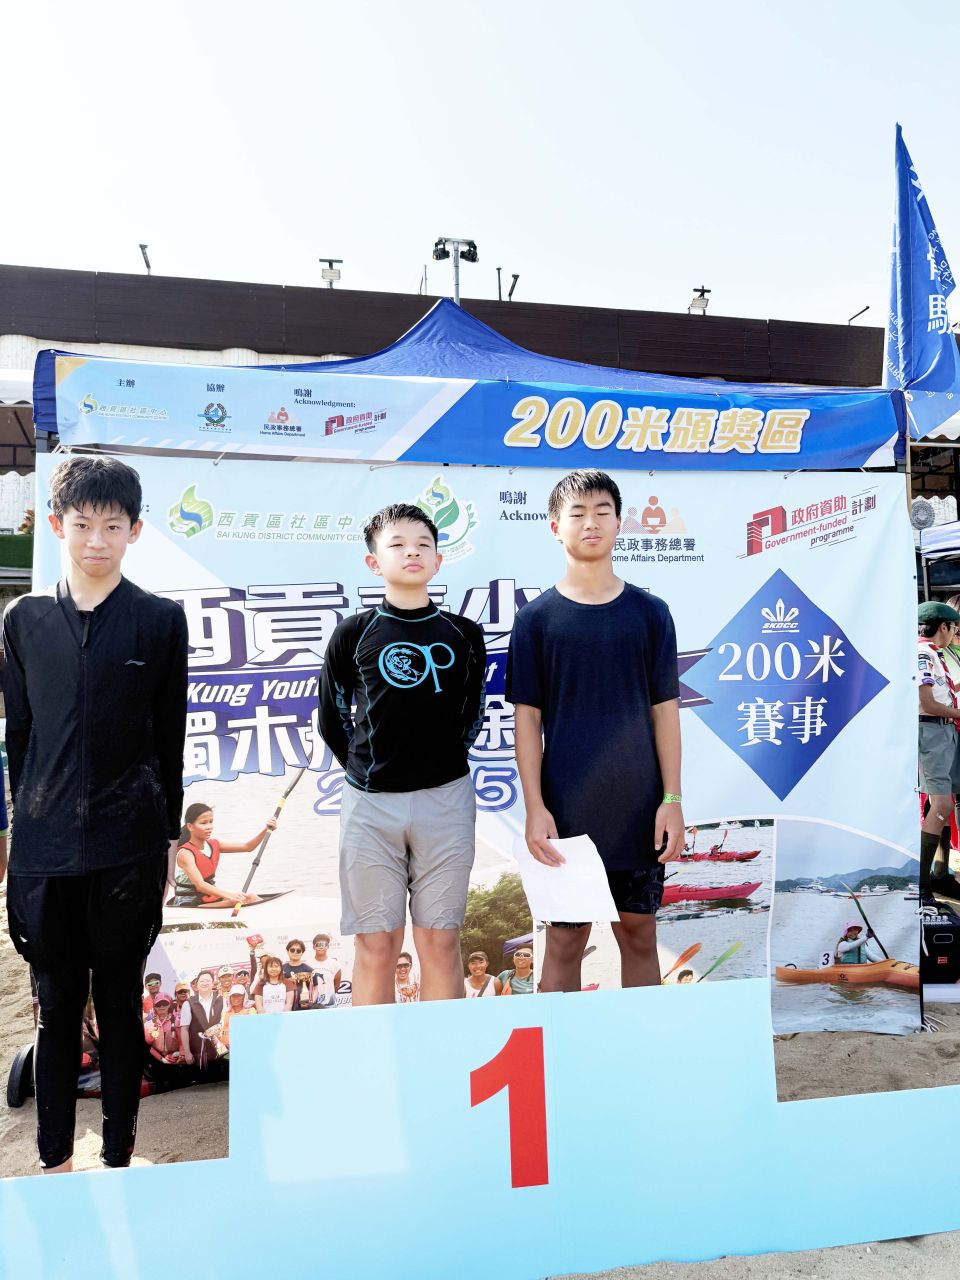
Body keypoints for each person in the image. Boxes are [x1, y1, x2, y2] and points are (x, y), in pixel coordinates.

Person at [1, 455, 188, 1172]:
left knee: (118, 1003)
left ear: (135, 530)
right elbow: (20, 738)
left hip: (127, 848)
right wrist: (25, 837)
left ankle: (117, 1157)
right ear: (58, 525)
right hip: (45, 853)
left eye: (113, 525)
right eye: (83, 524)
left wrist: (167, 838)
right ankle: (54, 1160)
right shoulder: (23, 620)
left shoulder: (159, 621)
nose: (97, 540)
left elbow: (168, 741)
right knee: (54, 1007)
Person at [506, 469, 684, 993]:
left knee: (639, 936)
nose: (591, 523)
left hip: (639, 806)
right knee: (564, 941)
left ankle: (642, 1043)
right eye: (578, 514)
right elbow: (527, 719)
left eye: (602, 512)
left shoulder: (650, 613)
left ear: (619, 523)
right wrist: (535, 807)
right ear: (555, 527)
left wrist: (672, 798)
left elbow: (666, 711)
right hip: (565, 808)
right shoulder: (536, 619)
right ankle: (556, 1045)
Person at [317, 502, 486, 1005]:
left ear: (438, 559)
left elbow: (471, 714)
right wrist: (370, 772)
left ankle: (443, 1050)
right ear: (374, 562)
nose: (411, 553)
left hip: (446, 802)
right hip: (370, 808)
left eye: (422, 545)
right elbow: (332, 717)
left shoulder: (464, 634)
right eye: (397, 545)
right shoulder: (354, 632)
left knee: (441, 941)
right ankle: (375, 1052)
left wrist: (437, 764)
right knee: (376, 944)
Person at [917, 601, 960, 897]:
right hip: (932, 730)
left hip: (943, 730)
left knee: (943, 804)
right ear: (943, 626)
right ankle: (922, 884)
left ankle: (940, 875)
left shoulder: (933, 652)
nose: (954, 633)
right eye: (954, 627)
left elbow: (940, 695)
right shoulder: (923, 654)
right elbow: (928, 704)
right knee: (942, 805)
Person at [172, 803, 277, 909]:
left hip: (208, 898)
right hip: (188, 902)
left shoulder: (213, 845)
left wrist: (266, 829)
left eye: (211, 822)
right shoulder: (185, 854)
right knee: (236, 901)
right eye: (203, 823)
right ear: (190, 826)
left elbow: (248, 847)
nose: (209, 827)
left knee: (251, 897)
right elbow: (200, 885)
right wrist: (231, 896)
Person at [178, 970, 224, 1075]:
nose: (205, 983)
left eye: (208, 980)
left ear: (212, 983)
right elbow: (184, 1029)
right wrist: (187, 1052)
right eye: (202, 981)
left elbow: (224, 1023)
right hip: (197, 1052)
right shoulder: (188, 1003)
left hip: (219, 1050)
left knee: (220, 1080)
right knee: (202, 1080)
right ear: (197, 984)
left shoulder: (221, 1000)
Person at [305, 933, 342, 1009]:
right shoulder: (307, 964)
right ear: (314, 947)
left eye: (324, 944)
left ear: (328, 946)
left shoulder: (335, 964)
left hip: (330, 1005)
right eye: (318, 945)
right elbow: (305, 985)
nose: (321, 947)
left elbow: (336, 986)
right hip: (312, 1005)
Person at [218, 984, 257, 1052]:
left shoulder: (251, 1011)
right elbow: (221, 1032)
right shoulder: (225, 1012)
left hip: (244, 1049)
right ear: (230, 997)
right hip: (225, 1051)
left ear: (244, 997)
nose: (236, 998)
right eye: (233, 995)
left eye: (239, 995)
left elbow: (252, 1032)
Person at [282, 940, 313, 1010]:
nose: (295, 952)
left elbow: (315, 989)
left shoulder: (309, 970)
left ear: (302, 953)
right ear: (287, 951)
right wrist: (288, 981)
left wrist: (310, 1002)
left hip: (303, 1006)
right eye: (292, 950)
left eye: (298, 951)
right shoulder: (281, 969)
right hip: (285, 1006)